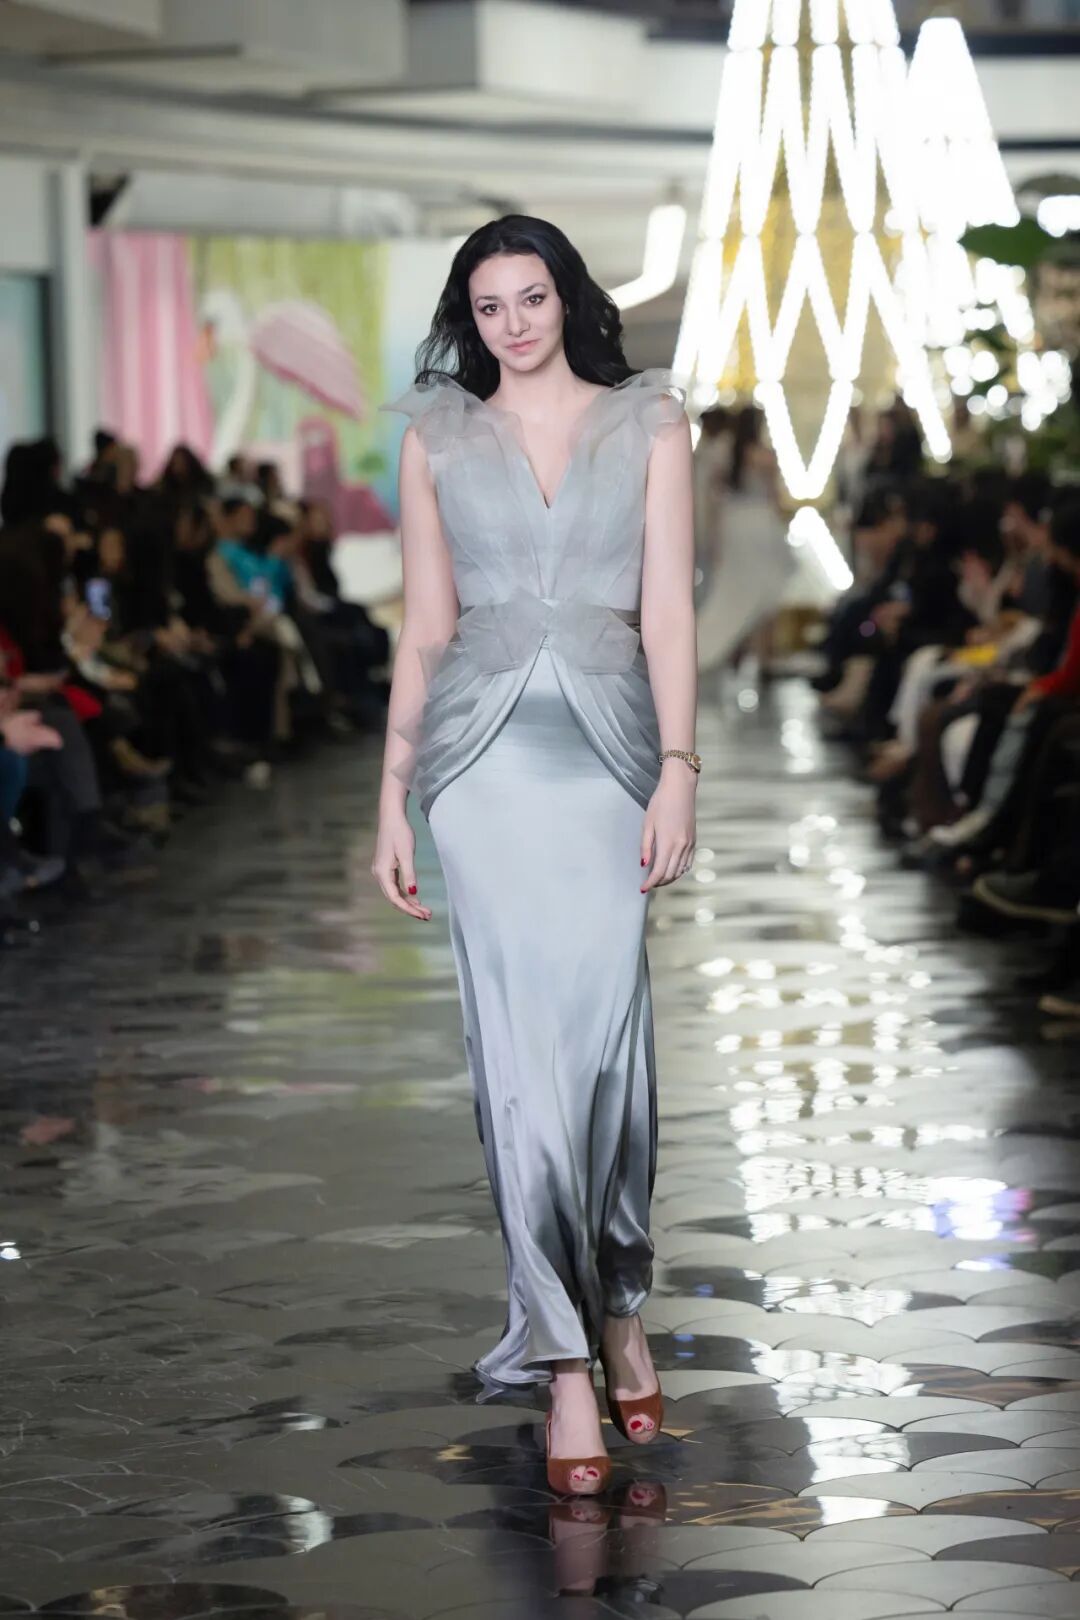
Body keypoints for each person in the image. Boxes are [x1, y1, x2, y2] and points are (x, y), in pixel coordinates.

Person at [372, 214, 697, 1496]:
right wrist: (392, 800)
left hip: (610, 756)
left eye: (532, 297)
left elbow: (667, 609)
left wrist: (680, 770)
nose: (512, 323)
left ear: (569, 299)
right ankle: (564, 1362)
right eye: (489, 305)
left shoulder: (650, 423)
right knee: (521, 1074)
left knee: (608, 1058)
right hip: (484, 772)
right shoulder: (437, 436)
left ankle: (619, 1299)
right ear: (470, 316)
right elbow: (424, 627)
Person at [694, 403, 793, 677]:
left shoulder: (723, 453)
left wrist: (713, 537)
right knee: (766, 591)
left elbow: (713, 499)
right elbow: (775, 497)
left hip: (733, 525)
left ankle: (729, 649)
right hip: (760, 525)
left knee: (733, 590)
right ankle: (763, 655)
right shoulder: (764, 456)